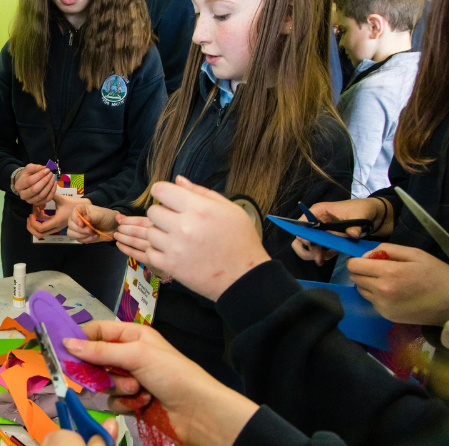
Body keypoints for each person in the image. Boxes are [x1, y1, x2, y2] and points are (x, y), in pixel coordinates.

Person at [66, 0, 353, 388]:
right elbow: (144, 195)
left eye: (220, 14)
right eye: (197, 12)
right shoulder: (186, 106)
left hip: (219, 380)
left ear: (287, 16)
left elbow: (278, 299)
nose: (198, 33)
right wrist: (113, 218)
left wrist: (184, 267)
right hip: (147, 334)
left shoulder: (319, 146)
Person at [44, 177, 449, 446]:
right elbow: (400, 426)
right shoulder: (194, 103)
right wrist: (197, 401)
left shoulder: (318, 143)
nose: (199, 39)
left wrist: (242, 279)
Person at [0, 0, 167, 309]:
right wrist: (15, 177)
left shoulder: (140, 57)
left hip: (96, 231)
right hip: (29, 225)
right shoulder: (17, 52)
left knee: (89, 339)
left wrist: (90, 205)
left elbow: (147, 163)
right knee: (26, 333)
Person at [294, 0, 449, 332]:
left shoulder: (374, 92)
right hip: (404, 328)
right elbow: (421, 190)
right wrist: (375, 210)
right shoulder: (428, 83)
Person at [336, 0, 425, 198]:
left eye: (344, 30)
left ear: (375, 26)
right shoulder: (419, 75)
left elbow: (351, 182)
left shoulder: (373, 92)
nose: (341, 43)